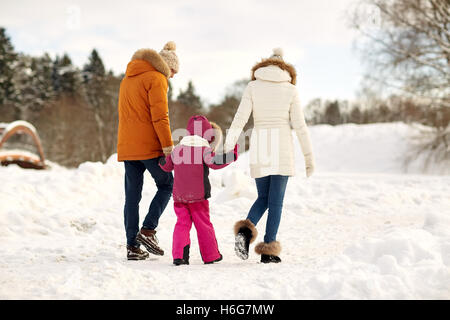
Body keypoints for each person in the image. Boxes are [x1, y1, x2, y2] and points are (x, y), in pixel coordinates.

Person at [224, 48, 315, 263]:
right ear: (285, 68)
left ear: (265, 66)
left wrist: (229, 144)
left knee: (263, 197)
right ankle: (268, 251)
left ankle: (245, 232)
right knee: (275, 202)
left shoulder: (253, 86)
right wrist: (309, 158)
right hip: (282, 146)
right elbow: (300, 126)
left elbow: (240, 118)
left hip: (261, 144)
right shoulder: (290, 89)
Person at [117, 41, 179, 260]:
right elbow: (160, 117)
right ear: (166, 67)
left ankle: (132, 246)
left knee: (132, 197)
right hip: (150, 147)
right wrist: (168, 148)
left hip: (127, 146)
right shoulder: (157, 79)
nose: (172, 77)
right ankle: (148, 230)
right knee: (167, 184)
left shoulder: (127, 79)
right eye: (173, 72)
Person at [159, 115, 239, 265]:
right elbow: (215, 163)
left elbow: (166, 166)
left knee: (182, 224)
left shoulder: (177, 149)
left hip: (179, 197)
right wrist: (232, 155)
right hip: (198, 197)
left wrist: (160, 159)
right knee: (203, 224)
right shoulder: (204, 149)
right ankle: (211, 256)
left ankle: (179, 256)